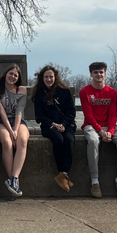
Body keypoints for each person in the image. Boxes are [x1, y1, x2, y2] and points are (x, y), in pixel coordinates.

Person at [79, 61, 117, 198]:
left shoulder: (112, 92)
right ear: (91, 74)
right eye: (95, 72)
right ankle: (95, 181)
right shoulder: (84, 92)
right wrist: (101, 132)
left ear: (105, 74)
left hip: (110, 125)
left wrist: (111, 132)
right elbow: (88, 116)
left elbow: (113, 114)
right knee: (93, 141)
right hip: (92, 125)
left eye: (101, 72)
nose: (98, 74)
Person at [32, 64, 76, 192]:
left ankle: (64, 173)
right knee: (58, 139)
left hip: (66, 124)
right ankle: (62, 173)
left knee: (68, 139)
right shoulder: (39, 94)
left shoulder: (64, 91)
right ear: (42, 78)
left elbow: (71, 112)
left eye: (51, 77)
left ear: (55, 77)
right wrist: (54, 124)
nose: (49, 79)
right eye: (46, 77)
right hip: (49, 125)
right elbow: (39, 116)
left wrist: (63, 123)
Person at [0, 64, 29, 198]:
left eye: (16, 75)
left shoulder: (22, 90)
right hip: (1, 122)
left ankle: (14, 178)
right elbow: (1, 112)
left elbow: (20, 110)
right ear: (5, 74)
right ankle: (12, 180)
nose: (12, 77)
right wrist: (10, 131)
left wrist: (15, 129)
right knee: (7, 143)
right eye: (11, 73)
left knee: (22, 141)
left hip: (19, 121)